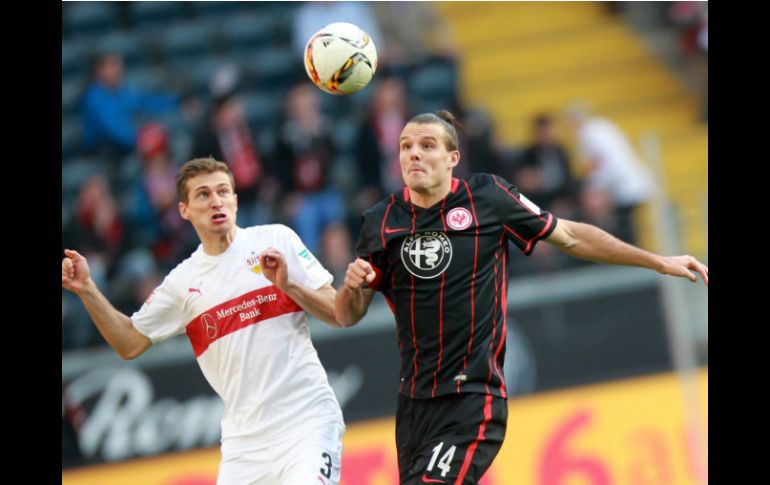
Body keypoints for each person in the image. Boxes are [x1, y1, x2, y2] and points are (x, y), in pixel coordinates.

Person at [335, 110, 708, 484]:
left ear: (453, 158)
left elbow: (571, 236)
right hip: (413, 402)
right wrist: (349, 288)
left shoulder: (488, 197)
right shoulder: (381, 221)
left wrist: (656, 260)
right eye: (405, 146)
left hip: (472, 397)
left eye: (426, 145)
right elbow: (348, 315)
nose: (413, 153)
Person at [62, 157, 346, 485]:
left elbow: (337, 310)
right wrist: (87, 290)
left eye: (223, 192)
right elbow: (129, 342)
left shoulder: (276, 240)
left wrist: (289, 286)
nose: (216, 201)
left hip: (307, 423)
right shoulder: (183, 282)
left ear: (235, 201)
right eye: (203, 194)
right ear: (184, 209)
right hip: (244, 445)